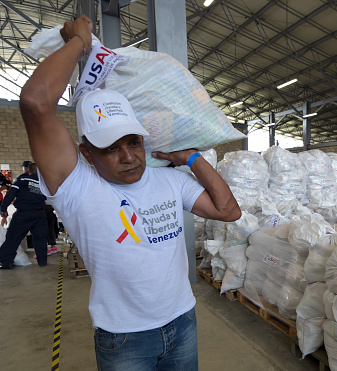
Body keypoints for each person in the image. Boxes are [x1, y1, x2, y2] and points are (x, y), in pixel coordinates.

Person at [18, 14, 240, 370]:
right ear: (87, 153)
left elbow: (228, 211)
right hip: (125, 338)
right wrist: (80, 42)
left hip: (182, 320)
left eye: (134, 142)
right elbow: (35, 103)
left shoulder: (170, 181)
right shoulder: (76, 186)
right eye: (111, 147)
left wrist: (192, 157)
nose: (128, 157)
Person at [0, 163, 49, 268]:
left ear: (29, 171)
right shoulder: (45, 183)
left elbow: (10, 194)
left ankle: (6, 262)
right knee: (40, 238)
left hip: (23, 214)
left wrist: (3, 208)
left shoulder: (22, 180)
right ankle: (42, 262)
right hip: (40, 213)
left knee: (13, 238)